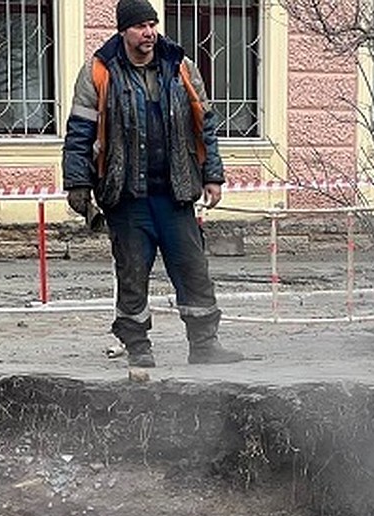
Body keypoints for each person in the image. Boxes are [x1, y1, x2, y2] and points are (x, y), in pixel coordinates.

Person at [61, 0, 243, 368]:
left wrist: (213, 175)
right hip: (127, 197)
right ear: (123, 31)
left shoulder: (180, 67)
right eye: (141, 26)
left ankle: (205, 345)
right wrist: (77, 182)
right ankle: (138, 347)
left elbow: (204, 124)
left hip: (175, 193)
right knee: (131, 275)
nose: (149, 33)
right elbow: (79, 131)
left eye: (152, 24)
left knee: (193, 270)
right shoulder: (99, 72)